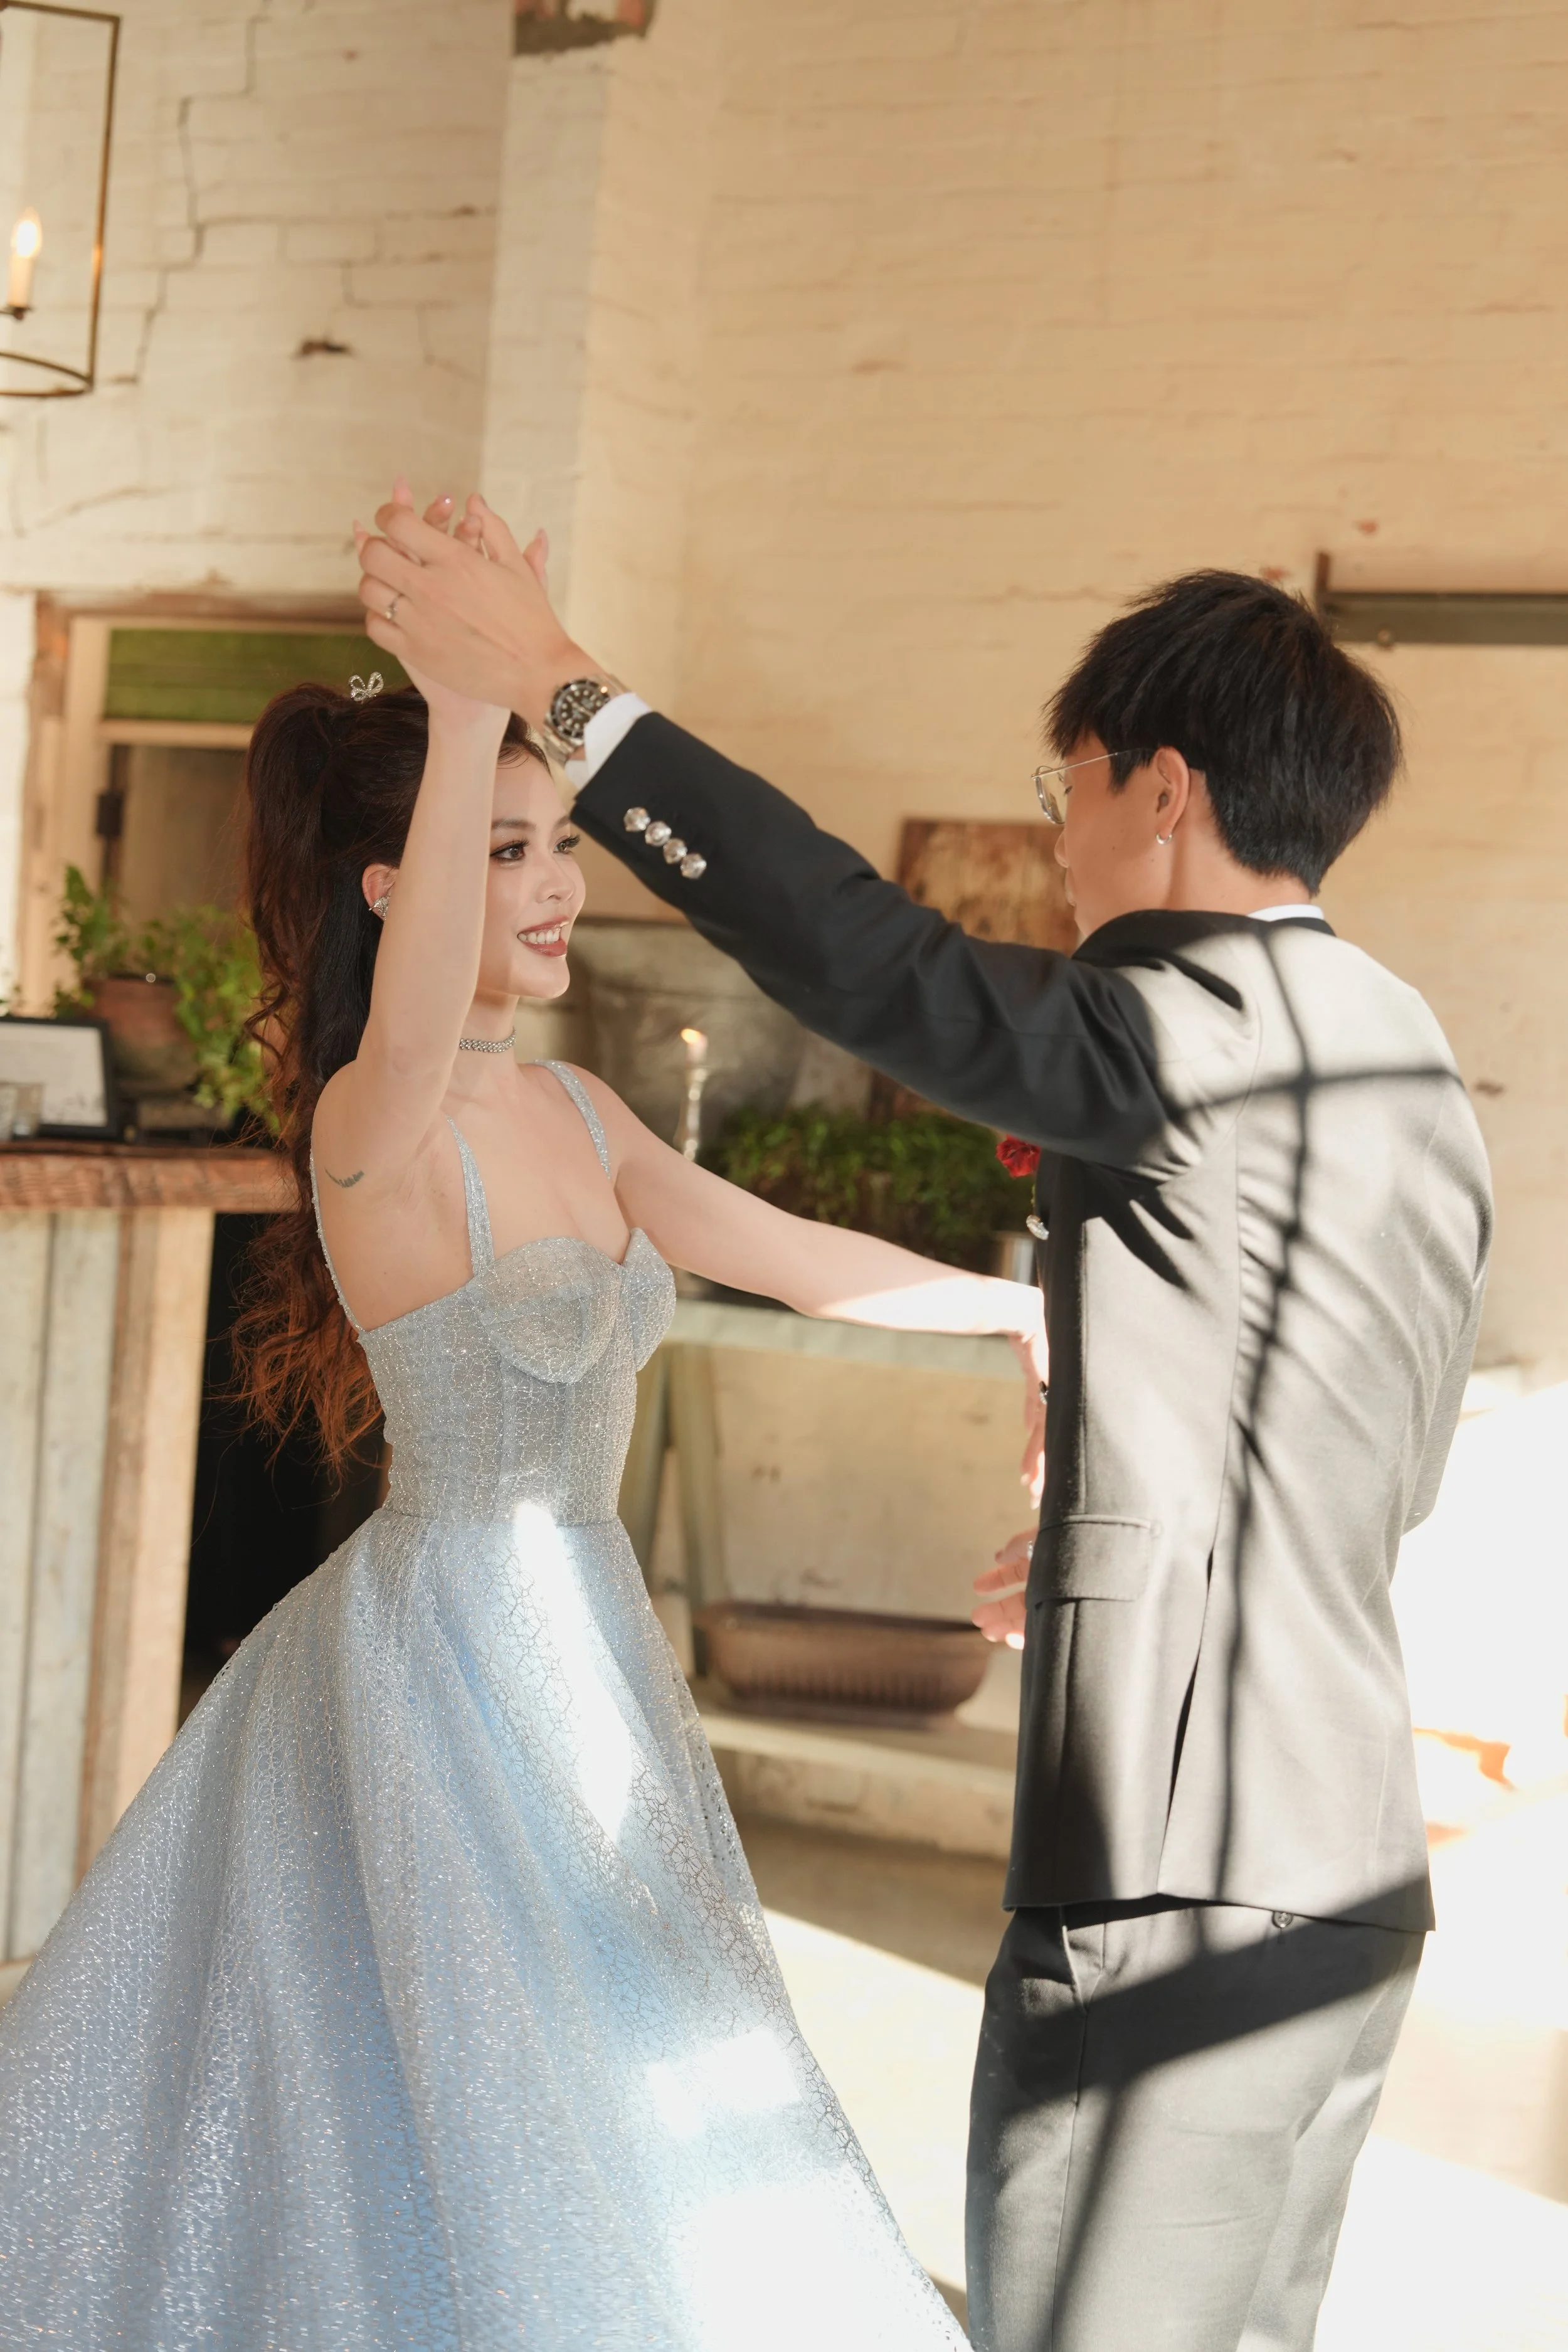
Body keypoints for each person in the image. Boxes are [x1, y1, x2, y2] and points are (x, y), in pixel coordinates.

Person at [352, 492, 1493, 2352]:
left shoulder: (1186, 1021)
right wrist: (1120, 1536)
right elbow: (1393, 1453)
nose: (1058, 847)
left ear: (1163, 790)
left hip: (1177, 1861)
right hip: (1346, 1871)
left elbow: (874, 965)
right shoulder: (1401, 1050)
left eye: (1067, 794)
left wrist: (554, 681)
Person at [0, 561, 1052, 2348]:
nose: (561, 882)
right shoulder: (369, 1113)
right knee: (457, 2076)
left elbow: (789, 1254)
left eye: (560, 841)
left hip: (586, 1645)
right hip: (436, 1656)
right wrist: (472, 690)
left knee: (617, 2057)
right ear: (396, 887)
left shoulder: (577, 1106)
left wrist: (1018, 1313)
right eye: (506, 850)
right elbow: (411, 1023)